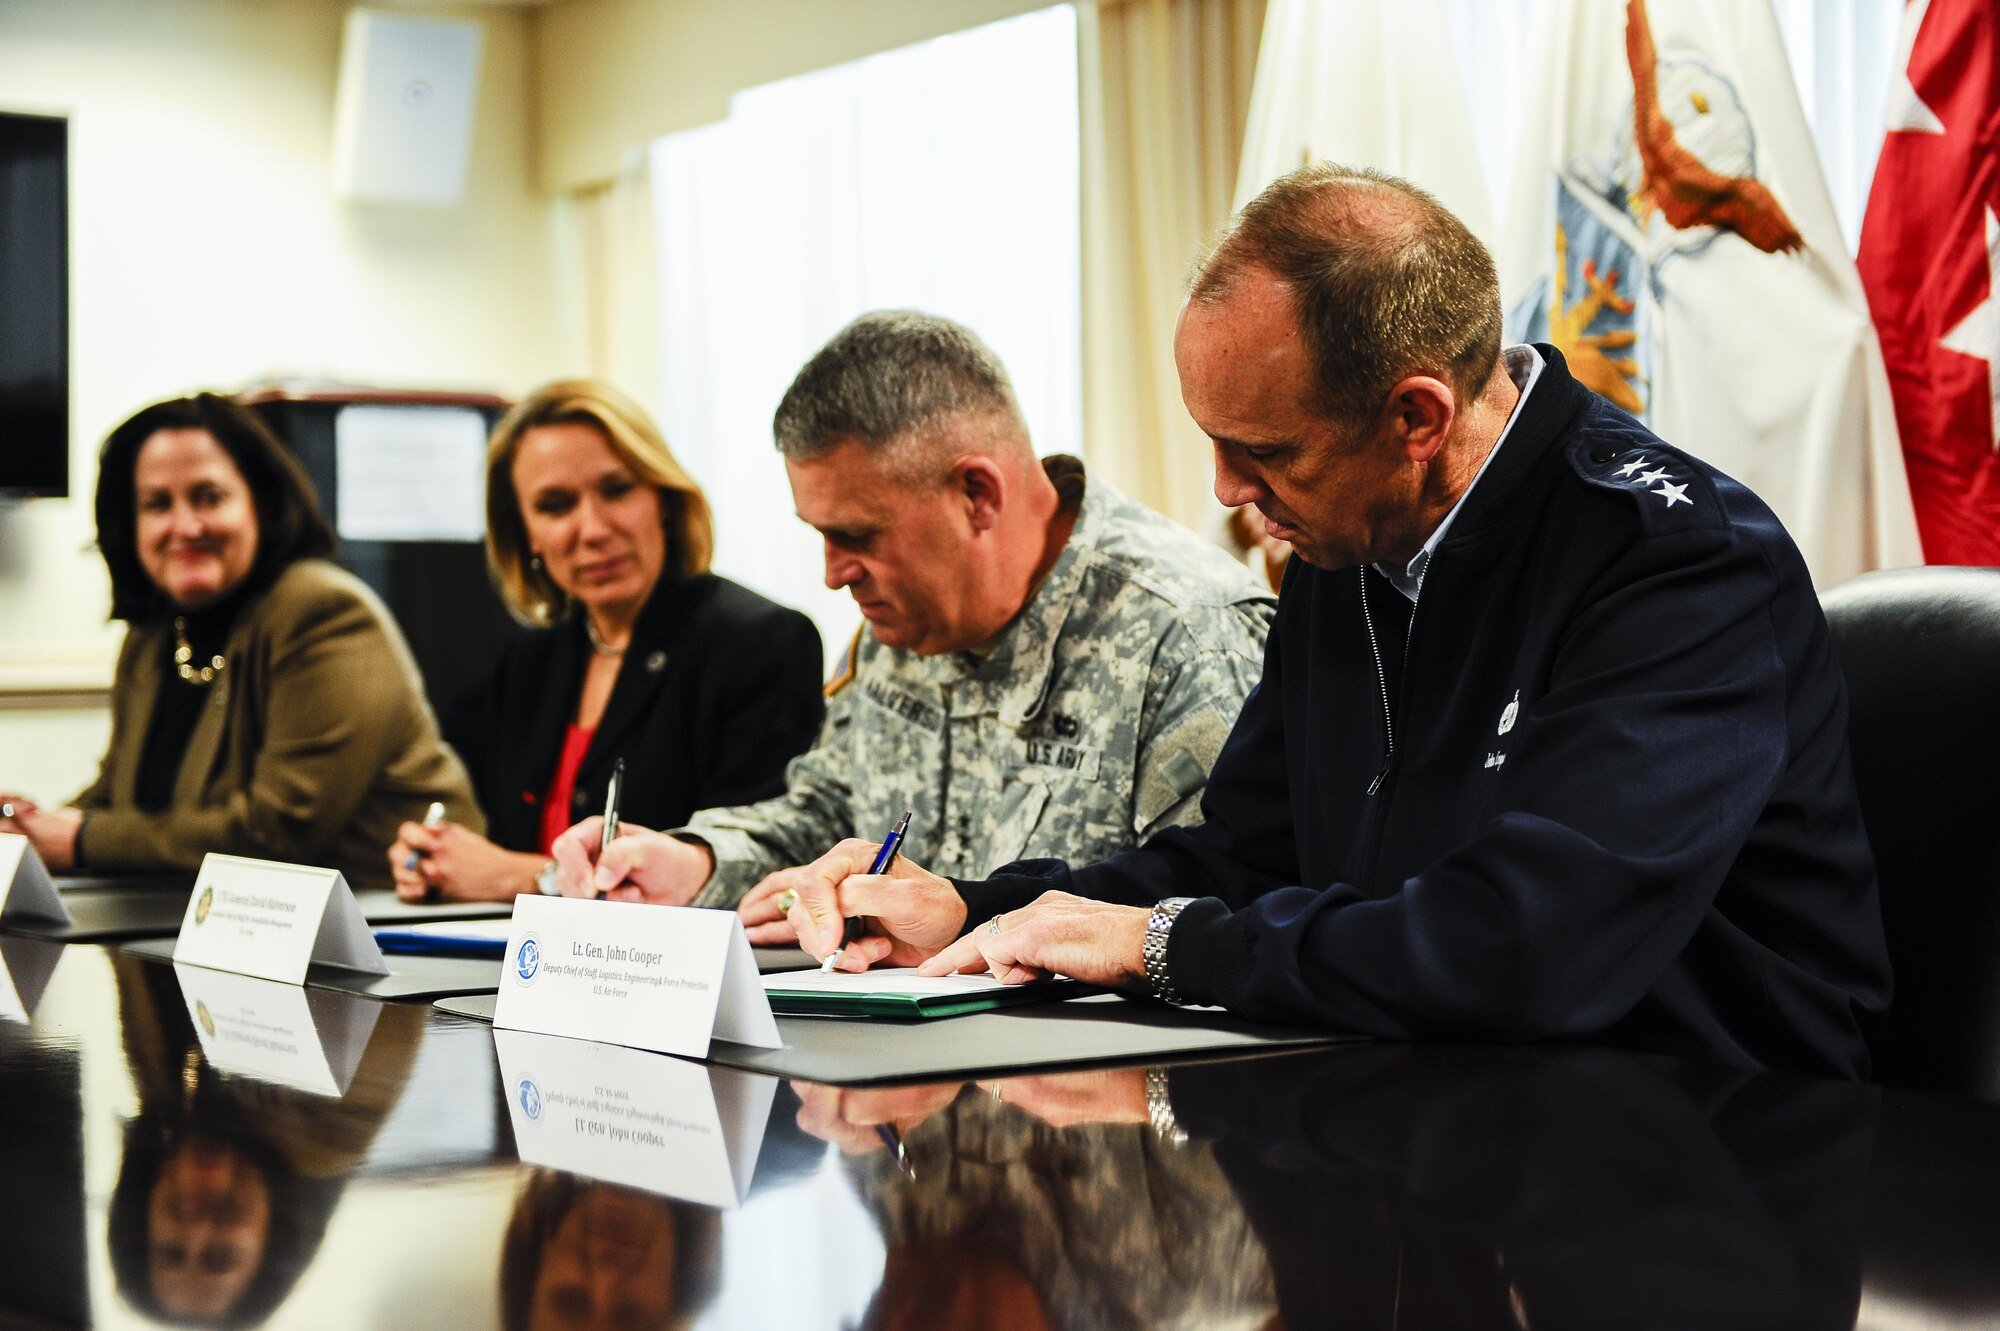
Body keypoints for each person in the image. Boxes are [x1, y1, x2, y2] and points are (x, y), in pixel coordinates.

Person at [773, 166, 1893, 1079]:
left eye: (1261, 452)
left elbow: (1524, 945)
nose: (1221, 491)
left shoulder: (1671, 562)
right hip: (1438, 1117)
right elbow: (1245, 851)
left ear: (1414, 415)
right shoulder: (1348, 538)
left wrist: (1162, 944)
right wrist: (977, 906)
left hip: (1706, 1156)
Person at [548, 312, 1275, 931]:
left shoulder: (1188, 633)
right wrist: (695, 862)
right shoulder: (896, 626)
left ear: (978, 494)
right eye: (820, 535)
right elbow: (827, 813)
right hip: (896, 1076)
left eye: (858, 536)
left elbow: (1214, 909)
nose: (833, 573)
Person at [0, 394, 479, 890]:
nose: (185, 526)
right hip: (215, 927)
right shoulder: (153, 636)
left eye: (208, 497)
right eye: (157, 504)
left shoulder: (322, 612)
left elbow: (278, 831)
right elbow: (117, 801)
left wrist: (79, 839)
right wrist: (29, 826)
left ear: (261, 504)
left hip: (390, 933)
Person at [387, 379, 824, 901]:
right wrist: (437, 864)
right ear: (527, 532)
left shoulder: (758, 642)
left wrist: (516, 877)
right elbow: (501, 845)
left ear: (661, 498)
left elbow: (762, 869)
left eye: (616, 490)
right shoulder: (529, 662)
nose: (592, 529)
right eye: (555, 505)